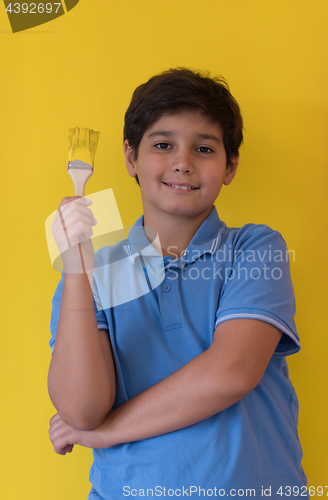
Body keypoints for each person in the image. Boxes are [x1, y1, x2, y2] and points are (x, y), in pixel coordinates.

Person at [48, 67, 308, 499]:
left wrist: (106, 433)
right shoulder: (95, 273)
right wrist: (76, 270)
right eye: (163, 144)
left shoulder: (256, 249)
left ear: (230, 167)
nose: (183, 162)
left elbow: (230, 373)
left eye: (204, 148)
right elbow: (80, 409)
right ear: (130, 157)